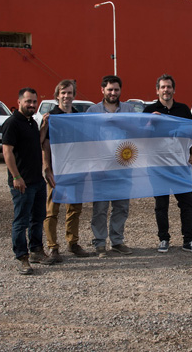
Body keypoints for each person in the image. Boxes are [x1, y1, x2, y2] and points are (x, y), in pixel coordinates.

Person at [143, 74, 192, 255]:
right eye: (162, 87)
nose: (166, 90)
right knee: (161, 205)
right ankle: (164, 239)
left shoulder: (183, 109)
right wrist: (149, 121)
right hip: (158, 167)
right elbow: (141, 136)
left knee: (187, 204)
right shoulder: (149, 110)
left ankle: (188, 240)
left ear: (174, 90)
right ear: (157, 90)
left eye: (169, 87)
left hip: (179, 166)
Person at [2, 88, 53, 275]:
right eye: (28, 101)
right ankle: (22, 257)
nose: (31, 105)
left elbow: (36, 143)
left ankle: (36, 251)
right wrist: (16, 177)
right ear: (19, 102)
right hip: (22, 182)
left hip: (37, 181)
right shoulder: (12, 123)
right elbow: (7, 152)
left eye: (34, 102)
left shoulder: (31, 122)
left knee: (37, 218)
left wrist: (44, 127)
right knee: (21, 221)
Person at [40, 79, 90, 263]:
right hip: (57, 170)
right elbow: (43, 143)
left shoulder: (78, 117)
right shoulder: (51, 117)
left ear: (74, 95)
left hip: (76, 169)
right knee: (52, 210)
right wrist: (47, 167)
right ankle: (53, 247)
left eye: (69, 93)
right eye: (63, 93)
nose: (66, 96)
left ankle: (73, 242)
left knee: (75, 208)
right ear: (57, 96)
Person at [86, 75, 135, 257]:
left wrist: (152, 119)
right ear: (102, 90)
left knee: (121, 207)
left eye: (116, 89)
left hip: (123, 167)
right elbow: (86, 137)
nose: (113, 93)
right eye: (109, 90)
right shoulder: (92, 111)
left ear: (120, 90)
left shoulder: (129, 110)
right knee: (100, 208)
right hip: (101, 169)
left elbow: (139, 130)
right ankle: (100, 243)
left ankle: (117, 241)